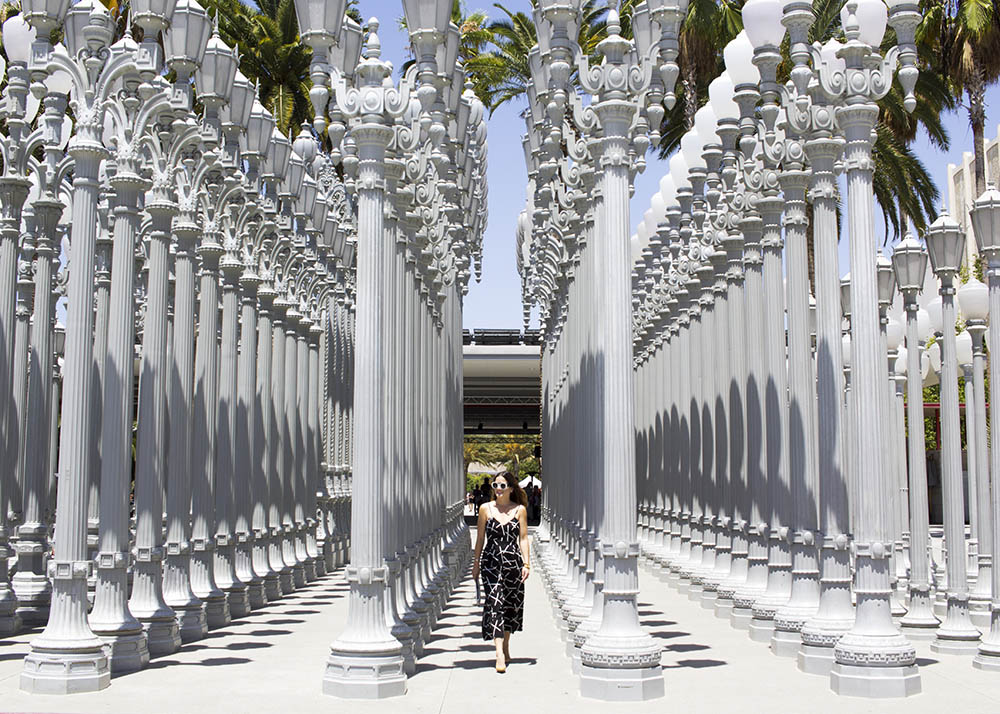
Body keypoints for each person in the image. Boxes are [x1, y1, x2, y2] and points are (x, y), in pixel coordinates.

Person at [472, 471, 530, 673]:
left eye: (502, 486)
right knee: (494, 602)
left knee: (509, 605)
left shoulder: (519, 510)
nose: (498, 489)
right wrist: (476, 563)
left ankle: (505, 645)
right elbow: (480, 539)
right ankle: (498, 653)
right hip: (491, 562)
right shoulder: (485, 509)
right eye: (495, 485)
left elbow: (523, 538)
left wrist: (527, 564)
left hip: (513, 562)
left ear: (511, 489)